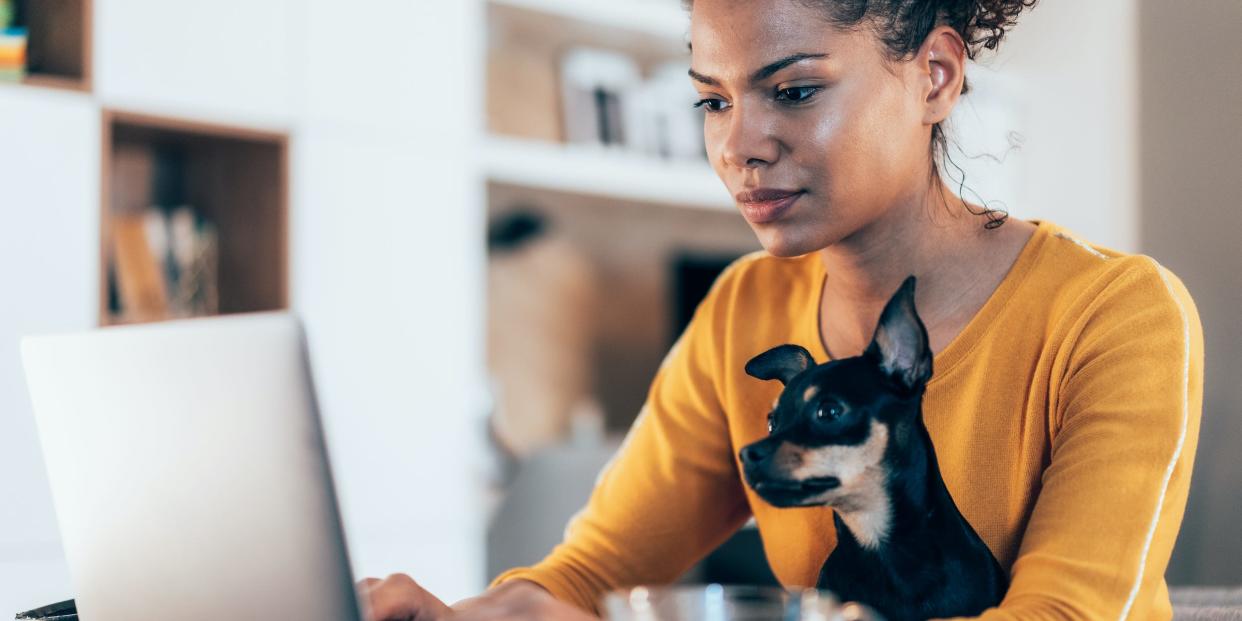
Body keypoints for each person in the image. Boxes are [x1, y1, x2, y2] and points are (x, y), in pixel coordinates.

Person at [361, 0, 1204, 618]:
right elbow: (589, 576)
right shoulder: (744, 310)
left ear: (936, 77)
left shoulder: (1115, 314)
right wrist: (452, 616)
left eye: (794, 91)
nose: (738, 146)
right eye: (714, 100)